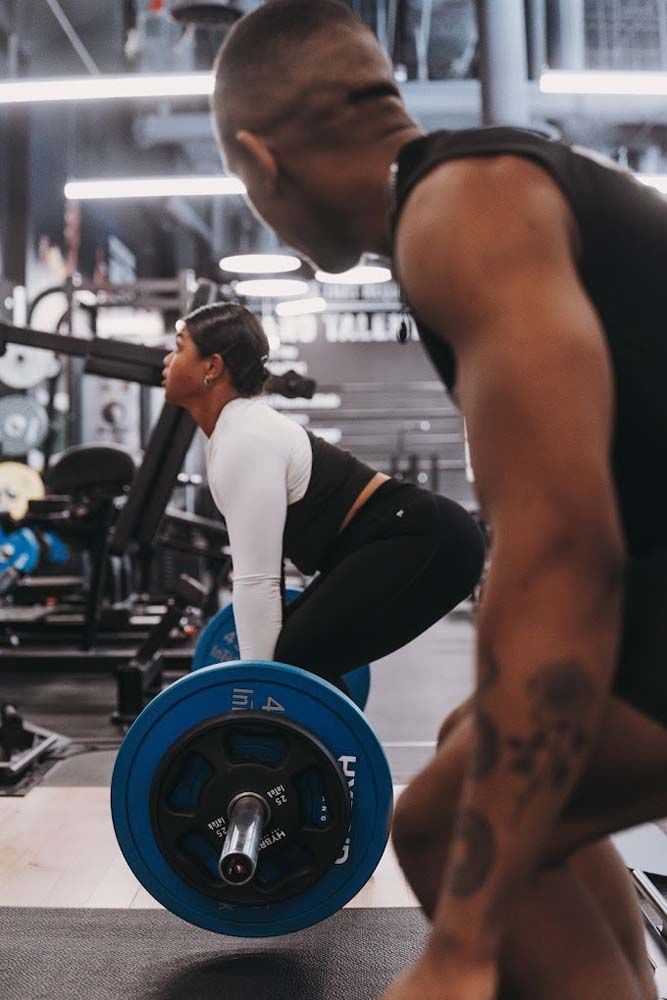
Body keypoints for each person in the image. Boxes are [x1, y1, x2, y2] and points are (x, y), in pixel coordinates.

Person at [210, 2, 667, 999]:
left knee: (438, 823)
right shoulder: (471, 193)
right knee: (482, 754)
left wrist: (462, 941)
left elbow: (561, 556)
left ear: (259, 162)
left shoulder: (462, 216)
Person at [162, 301, 484, 694]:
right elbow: (269, 582)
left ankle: (318, 751)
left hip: (427, 539)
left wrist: (259, 697)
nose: (167, 359)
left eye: (179, 347)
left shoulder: (243, 438)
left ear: (211, 367)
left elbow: (257, 581)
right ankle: (318, 751)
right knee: (296, 659)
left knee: (296, 661)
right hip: (414, 535)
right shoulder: (237, 431)